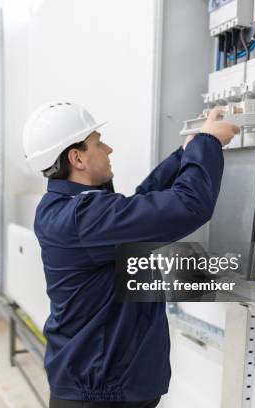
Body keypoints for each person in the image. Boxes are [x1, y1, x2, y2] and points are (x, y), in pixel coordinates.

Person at [22, 102, 238, 407]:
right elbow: (189, 205)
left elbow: (139, 207)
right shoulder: (83, 217)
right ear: (77, 157)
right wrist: (208, 143)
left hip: (98, 382)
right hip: (102, 391)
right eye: (98, 143)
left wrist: (184, 153)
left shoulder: (69, 208)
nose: (108, 149)